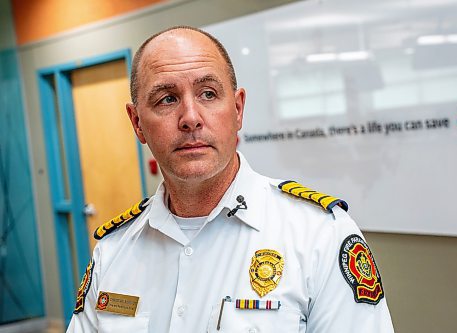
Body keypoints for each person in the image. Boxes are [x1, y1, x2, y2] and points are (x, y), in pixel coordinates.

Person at [67, 26, 394, 332]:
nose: (191, 118)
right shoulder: (112, 252)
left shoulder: (320, 236)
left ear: (238, 109)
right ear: (137, 123)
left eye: (208, 94)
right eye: (167, 99)